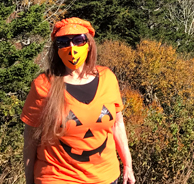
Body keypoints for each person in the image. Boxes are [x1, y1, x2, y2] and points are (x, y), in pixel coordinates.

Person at [22, 17, 135, 184]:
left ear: (89, 44)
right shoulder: (43, 85)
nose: (71, 48)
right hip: (58, 177)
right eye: (63, 42)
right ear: (57, 48)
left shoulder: (107, 78)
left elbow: (117, 124)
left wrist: (128, 165)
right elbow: (30, 139)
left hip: (106, 177)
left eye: (78, 40)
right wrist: (29, 180)